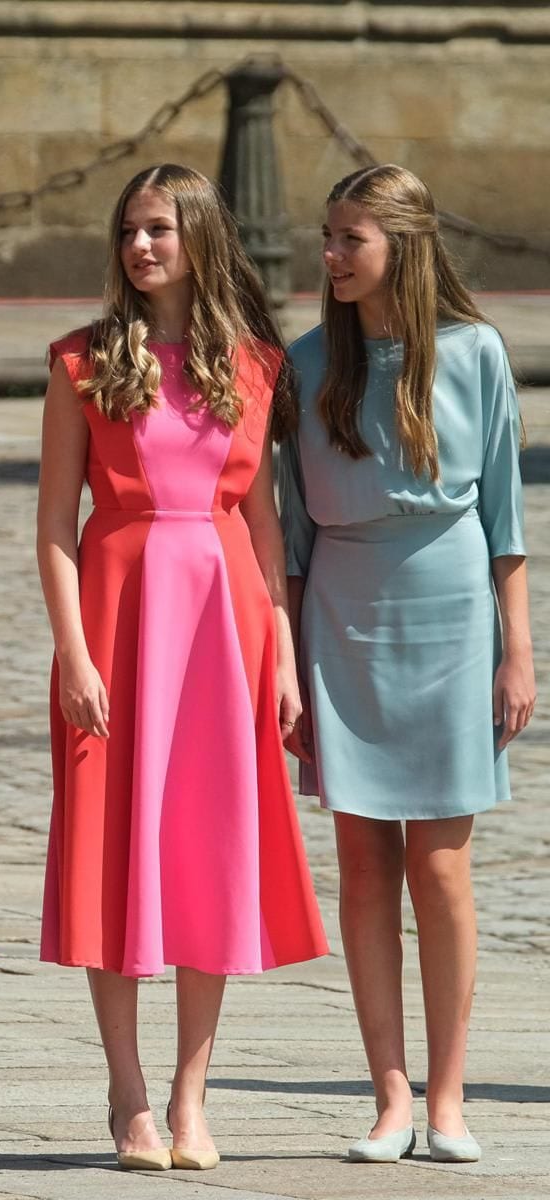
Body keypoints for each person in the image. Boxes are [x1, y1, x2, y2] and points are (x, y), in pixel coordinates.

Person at [37, 163, 328, 1173]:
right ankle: (128, 1099)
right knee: (113, 858)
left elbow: (261, 527)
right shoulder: (78, 362)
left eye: (159, 228)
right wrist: (72, 650)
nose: (141, 246)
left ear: (200, 237)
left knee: (210, 857)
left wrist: (284, 661)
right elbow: (55, 530)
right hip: (117, 623)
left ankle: (192, 1099)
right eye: (129, 229)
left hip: (224, 630)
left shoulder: (254, 367)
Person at [278, 164, 534, 1165]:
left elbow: (506, 521)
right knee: (363, 863)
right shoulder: (305, 365)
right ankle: (389, 1096)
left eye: (352, 238)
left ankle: (451, 1096)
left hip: (453, 611)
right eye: (328, 236)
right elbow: (291, 535)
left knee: (442, 866)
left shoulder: (476, 355)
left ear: (404, 247)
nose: (332, 255)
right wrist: (290, 666)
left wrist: (519, 651)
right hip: (341, 614)